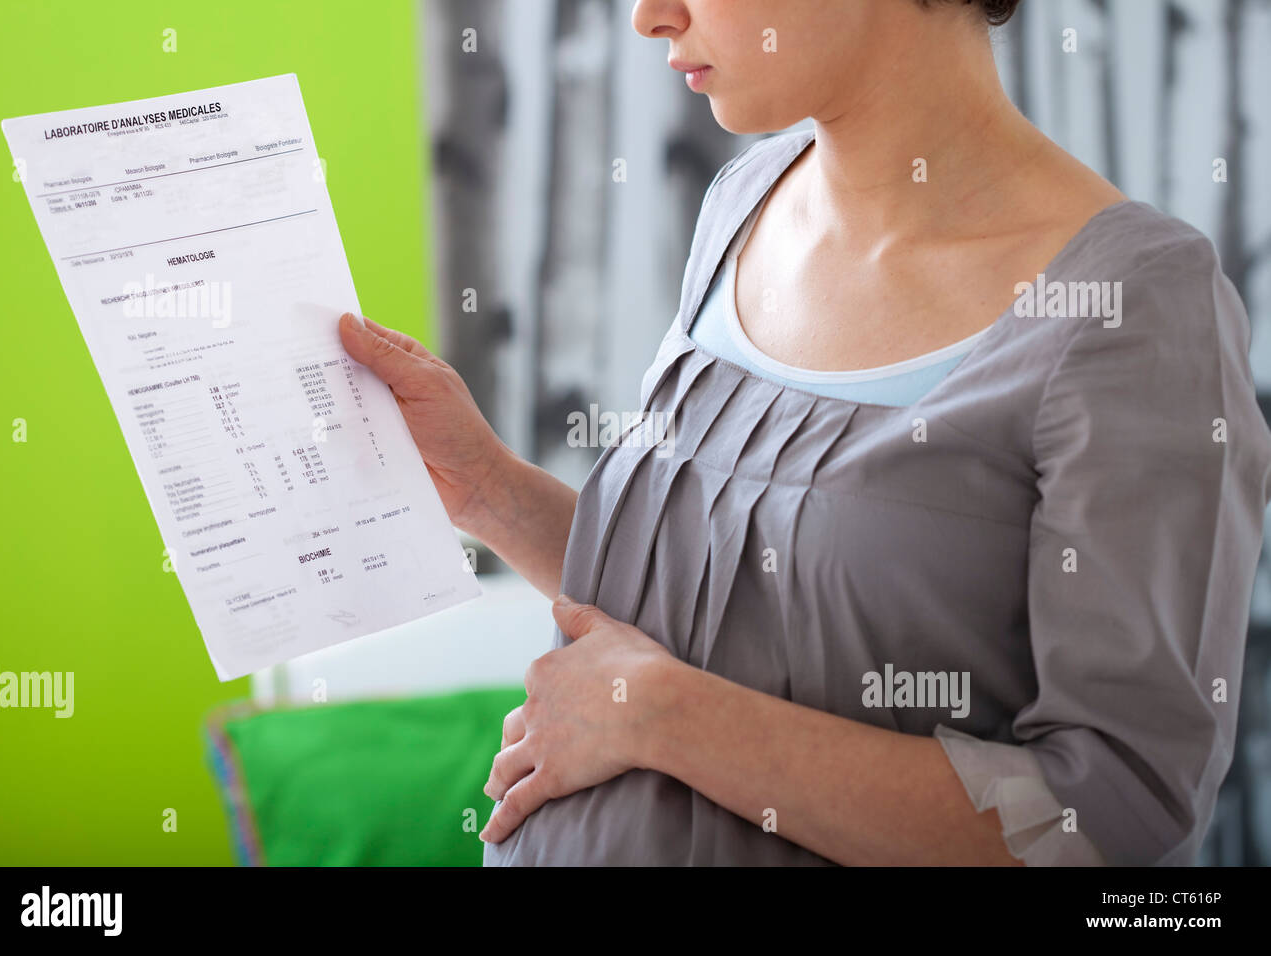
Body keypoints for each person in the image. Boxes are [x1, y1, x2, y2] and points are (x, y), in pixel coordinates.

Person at [337, 0, 1271, 865]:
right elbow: (727, 603)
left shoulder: (1133, 306)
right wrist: (488, 490)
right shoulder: (744, 202)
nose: (648, 15)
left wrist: (667, 720)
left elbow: (1106, 815)